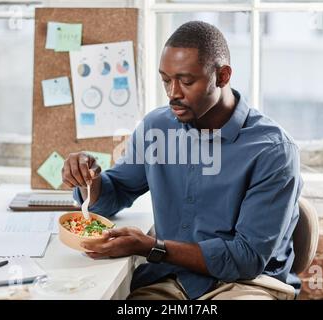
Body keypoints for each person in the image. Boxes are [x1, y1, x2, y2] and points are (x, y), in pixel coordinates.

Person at [62, 21, 303, 300]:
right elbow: (114, 196)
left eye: (187, 81)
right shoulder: (157, 127)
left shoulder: (273, 150)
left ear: (222, 76)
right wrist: (89, 180)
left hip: (248, 285)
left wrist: (152, 248)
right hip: (171, 280)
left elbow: (246, 258)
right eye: (166, 79)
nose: (173, 92)